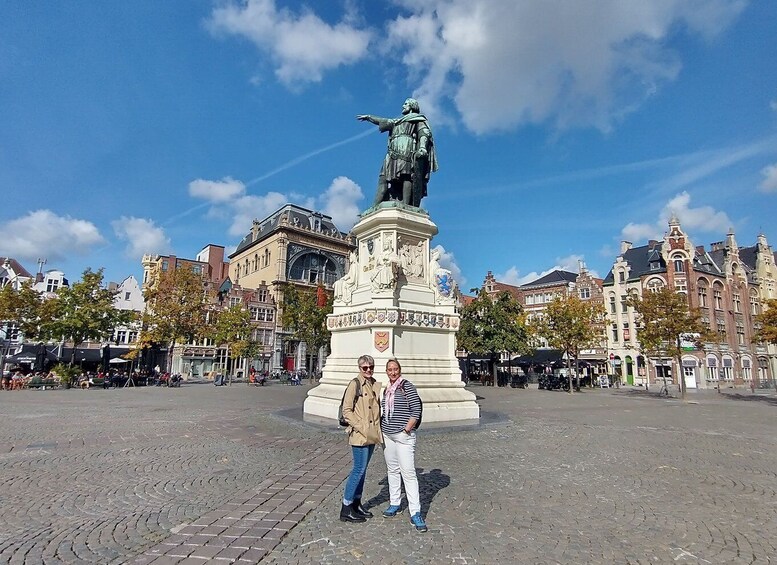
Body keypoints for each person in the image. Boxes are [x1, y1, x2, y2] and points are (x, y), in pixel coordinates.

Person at [357, 98, 438, 208]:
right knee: (383, 178)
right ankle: (374, 207)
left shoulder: (417, 119)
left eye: (405, 104)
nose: (403, 106)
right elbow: (382, 121)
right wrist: (369, 117)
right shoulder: (396, 122)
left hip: (406, 148)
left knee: (406, 175)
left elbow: (424, 133)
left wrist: (422, 147)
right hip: (392, 152)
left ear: (412, 106)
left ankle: (406, 205)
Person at [380, 358, 427, 532]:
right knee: (392, 470)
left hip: (403, 436)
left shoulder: (407, 386)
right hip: (388, 435)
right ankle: (394, 503)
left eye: (395, 369)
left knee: (408, 473)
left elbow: (416, 409)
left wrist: (407, 429)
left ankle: (415, 512)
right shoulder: (386, 389)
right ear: (387, 371)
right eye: (390, 369)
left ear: (399, 370)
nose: (392, 372)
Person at [340, 355, 383, 523]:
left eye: (371, 367)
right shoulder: (354, 384)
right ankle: (346, 507)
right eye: (365, 368)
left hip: (371, 433)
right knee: (358, 469)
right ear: (360, 368)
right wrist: (361, 426)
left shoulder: (373, 383)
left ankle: (356, 504)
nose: (368, 370)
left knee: (363, 471)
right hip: (359, 434)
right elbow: (347, 410)